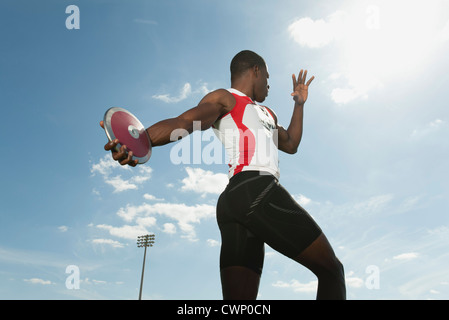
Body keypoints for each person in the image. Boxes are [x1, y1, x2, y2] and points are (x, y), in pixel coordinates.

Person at [100, 50, 346, 300]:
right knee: (332, 270)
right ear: (256, 71)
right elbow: (185, 122)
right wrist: (138, 142)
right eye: (268, 77)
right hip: (255, 188)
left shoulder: (268, 114)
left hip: (235, 204)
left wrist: (299, 104)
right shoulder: (226, 98)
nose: (269, 85)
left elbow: (291, 144)